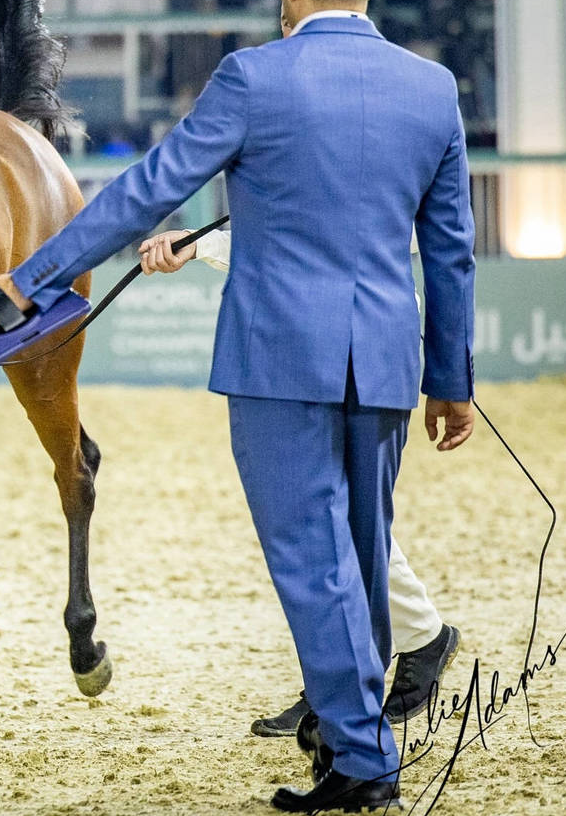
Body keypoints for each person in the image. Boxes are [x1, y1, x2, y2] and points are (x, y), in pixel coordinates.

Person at [0, 0, 475, 814]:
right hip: (387, 359)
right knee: (360, 547)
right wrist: (452, 380)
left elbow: (151, 189)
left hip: (281, 358)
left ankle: (361, 757)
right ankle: (345, 732)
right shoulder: (432, 89)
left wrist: (25, 285)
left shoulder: (254, 78)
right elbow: (452, 250)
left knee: (316, 560)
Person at [138, 209, 462, 736]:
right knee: (335, 509)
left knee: (329, 511)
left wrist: (202, 247)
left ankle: (345, 684)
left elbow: (307, 241)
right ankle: (415, 640)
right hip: (324, 335)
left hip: (350, 336)